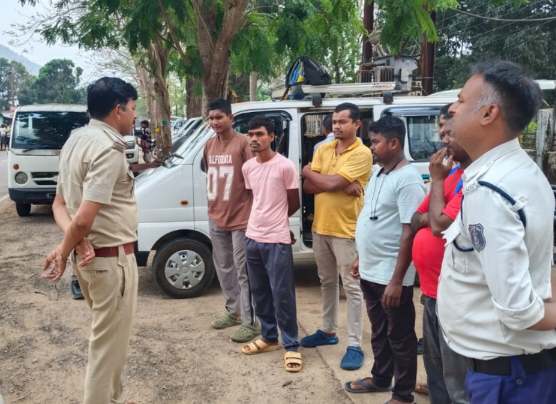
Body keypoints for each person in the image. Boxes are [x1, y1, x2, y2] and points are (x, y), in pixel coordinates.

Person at [437, 61, 556, 404]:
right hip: (511, 370)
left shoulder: (491, 190)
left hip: (508, 377)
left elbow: (519, 312)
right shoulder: (517, 173)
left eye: (461, 100)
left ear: (489, 113)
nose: (452, 109)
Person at [42, 77, 139, 404]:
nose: (135, 115)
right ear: (118, 109)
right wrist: (67, 247)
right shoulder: (108, 148)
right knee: (107, 351)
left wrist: (69, 245)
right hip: (111, 262)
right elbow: (82, 219)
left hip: (90, 261)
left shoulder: (76, 140)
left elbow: (59, 205)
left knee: (110, 345)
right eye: (133, 108)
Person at [346, 116, 425, 404]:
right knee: (379, 331)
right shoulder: (379, 174)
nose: (371, 147)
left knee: (400, 336)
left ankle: (403, 394)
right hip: (371, 269)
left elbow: (409, 232)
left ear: (394, 143)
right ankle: (381, 378)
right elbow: (373, 218)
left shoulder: (408, 180)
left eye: (376, 142)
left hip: (391, 275)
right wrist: (361, 257)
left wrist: (397, 280)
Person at [301, 102, 372, 370]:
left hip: (346, 231)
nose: (337, 126)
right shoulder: (324, 148)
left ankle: (354, 344)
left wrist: (308, 171)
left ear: (357, 124)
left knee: (352, 288)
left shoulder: (362, 153)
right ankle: (328, 331)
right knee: (327, 282)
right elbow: (308, 187)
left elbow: (325, 182)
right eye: (334, 121)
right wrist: (334, 183)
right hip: (321, 228)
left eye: (343, 121)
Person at [410, 104, 470, 404]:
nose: (444, 141)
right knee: (435, 365)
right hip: (432, 289)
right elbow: (417, 218)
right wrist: (434, 212)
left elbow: (436, 224)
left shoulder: (469, 178)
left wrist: (435, 184)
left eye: (449, 133)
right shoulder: (452, 173)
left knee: (457, 376)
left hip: (454, 293)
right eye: (441, 134)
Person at [239, 116, 303, 373]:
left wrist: (277, 222)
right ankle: (268, 336)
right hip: (252, 237)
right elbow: (254, 197)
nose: (254, 139)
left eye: (260, 134)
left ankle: (291, 344)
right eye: (251, 134)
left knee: (282, 293)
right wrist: (260, 222)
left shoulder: (285, 166)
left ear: (272, 137)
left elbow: (294, 202)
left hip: (276, 239)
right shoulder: (248, 167)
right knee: (259, 291)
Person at [202, 98, 259, 343]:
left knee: (244, 271)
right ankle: (233, 311)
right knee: (224, 267)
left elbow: (255, 178)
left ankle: (251, 321)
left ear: (231, 118)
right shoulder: (208, 145)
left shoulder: (244, 143)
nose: (215, 122)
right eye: (211, 118)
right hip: (216, 216)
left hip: (241, 217)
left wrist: (255, 213)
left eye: (219, 117)